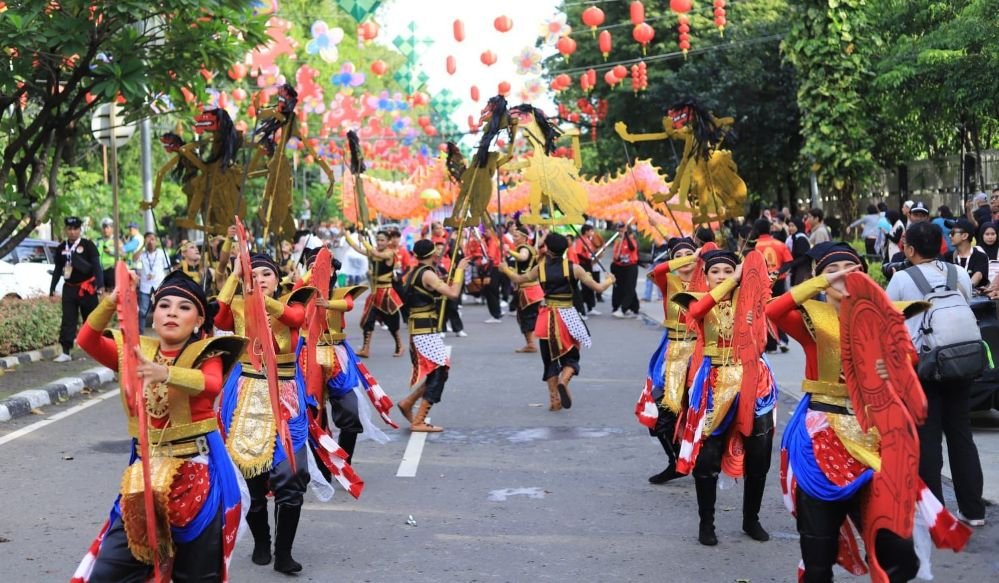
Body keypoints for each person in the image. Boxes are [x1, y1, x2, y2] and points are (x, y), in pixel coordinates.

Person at [768, 242, 971, 582]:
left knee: (898, 553)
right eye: (833, 269)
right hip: (821, 443)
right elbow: (772, 311)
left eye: (852, 268)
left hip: (876, 442)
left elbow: (907, 364)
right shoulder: (814, 320)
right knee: (818, 556)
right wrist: (820, 282)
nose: (844, 274)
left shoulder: (882, 317)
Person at [72, 271, 246, 583]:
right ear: (153, 316)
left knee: (196, 576)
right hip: (144, 477)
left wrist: (166, 374)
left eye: (183, 307)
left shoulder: (208, 352)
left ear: (198, 321)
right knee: (109, 573)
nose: (172, 313)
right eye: (164, 306)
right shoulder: (136, 352)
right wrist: (112, 301)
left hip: (196, 480)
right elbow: (86, 340)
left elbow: (211, 384)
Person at [215, 254, 320, 574]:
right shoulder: (237, 307)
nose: (260, 278)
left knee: (292, 473)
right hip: (247, 392)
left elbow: (294, 318)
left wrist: (262, 301)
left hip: (286, 396)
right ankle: (262, 540)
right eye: (254, 274)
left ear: (278, 280)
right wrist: (234, 276)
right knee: (251, 476)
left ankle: (284, 552)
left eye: (266, 274)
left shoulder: (295, 302)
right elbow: (218, 319)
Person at [672, 250, 778, 546]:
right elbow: (697, 311)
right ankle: (707, 523)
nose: (721, 275)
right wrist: (732, 279)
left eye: (727, 270)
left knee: (760, 453)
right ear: (705, 276)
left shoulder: (751, 302)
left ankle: (751, 519)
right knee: (707, 459)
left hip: (754, 381)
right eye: (715, 271)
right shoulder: (694, 298)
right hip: (713, 384)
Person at [885, 222, 986, 527]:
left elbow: (889, 320)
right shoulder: (957, 273)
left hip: (924, 365)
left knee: (928, 439)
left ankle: (935, 514)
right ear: (942, 246)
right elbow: (965, 304)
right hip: (961, 362)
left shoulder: (901, 278)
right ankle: (973, 510)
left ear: (910, 249)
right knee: (961, 434)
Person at [502, 233, 615, 411]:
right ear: (566, 248)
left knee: (549, 359)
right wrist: (609, 280)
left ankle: (554, 400)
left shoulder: (540, 268)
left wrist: (506, 269)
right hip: (568, 316)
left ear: (547, 248)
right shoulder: (574, 268)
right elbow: (598, 288)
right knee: (571, 355)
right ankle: (565, 379)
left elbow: (519, 279)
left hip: (546, 317)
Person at [635, 237, 699, 484]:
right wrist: (690, 256)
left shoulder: (707, 283)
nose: (685, 259)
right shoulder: (668, 281)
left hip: (699, 354)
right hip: (672, 353)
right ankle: (675, 461)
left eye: (690, 253)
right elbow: (657, 269)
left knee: (695, 410)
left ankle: (695, 460)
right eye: (679, 254)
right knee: (661, 413)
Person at [395, 240, 469, 432]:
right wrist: (460, 270)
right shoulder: (427, 273)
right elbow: (453, 293)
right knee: (440, 371)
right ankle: (419, 420)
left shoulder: (415, 272)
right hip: (423, 330)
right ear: (433, 254)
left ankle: (408, 403)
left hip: (422, 328)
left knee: (437, 372)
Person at [50, 216, 104, 362]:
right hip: (69, 288)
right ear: (66, 230)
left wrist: (100, 285)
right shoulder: (61, 248)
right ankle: (66, 351)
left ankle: (96, 349)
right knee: (68, 319)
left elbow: (97, 266)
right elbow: (57, 269)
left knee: (91, 319)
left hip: (87, 288)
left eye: (76, 229)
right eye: (70, 229)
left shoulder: (88, 245)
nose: (73, 232)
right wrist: (52, 288)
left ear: (80, 230)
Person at [345, 229, 404, 358]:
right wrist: (348, 237)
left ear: (388, 241)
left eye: (382, 240)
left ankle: (399, 345)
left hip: (387, 293)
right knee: (368, 321)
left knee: (392, 323)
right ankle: (365, 348)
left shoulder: (389, 253)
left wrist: (364, 242)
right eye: (378, 240)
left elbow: (376, 253)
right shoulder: (373, 252)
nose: (379, 242)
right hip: (375, 293)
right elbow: (357, 249)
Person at [753, 218, 793, 353]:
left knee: (765, 312)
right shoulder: (780, 244)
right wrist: (777, 272)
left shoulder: (754, 247)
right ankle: (784, 339)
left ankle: (770, 344)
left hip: (761, 283)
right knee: (780, 310)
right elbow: (789, 262)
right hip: (779, 282)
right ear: (770, 229)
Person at [507, 227, 543, 353]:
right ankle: (531, 342)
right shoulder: (531, 248)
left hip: (528, 291)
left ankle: (531, 344)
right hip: (532, 288)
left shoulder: (524, 248)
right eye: (513, 236)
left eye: (516, 236)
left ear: (524, 238)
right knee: (529, 316)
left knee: (525, 317)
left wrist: (509, 252)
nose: (514, 238)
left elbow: (523, 257)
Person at [136, 233, 171, 333]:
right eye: (148, 240)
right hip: (145, 286)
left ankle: (164, 332)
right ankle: (140, 334)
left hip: (159, 285)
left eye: (152, 239)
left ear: (156, 241)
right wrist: (143, 245)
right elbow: (134, 259)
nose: (150, 242)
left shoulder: (162, 253)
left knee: (163, 310)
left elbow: (167, 268)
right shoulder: (142, 254)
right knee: (142, 312)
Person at [943, 218, 989, 288]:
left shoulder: (980, 257)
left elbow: (978, 276)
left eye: (953, 233)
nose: (950, 236)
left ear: (964, 236)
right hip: (952, 297)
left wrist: (964, 289)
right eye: (950, 233)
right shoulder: (947, 256)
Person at [611, 222, 640, 318]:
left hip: (631, 267)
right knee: (622, 287)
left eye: (622, 231)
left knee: (630, 287)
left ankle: (623, 308)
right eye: (619, 231)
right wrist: (617, 257)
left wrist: (626, 235)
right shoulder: (618, 242)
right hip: (620, 267)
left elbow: (632, 248)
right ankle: (634, 308)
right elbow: (615, 256)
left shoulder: (631, 240)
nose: (620, 232)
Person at [574, 224, 600, 315]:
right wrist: (586, 259)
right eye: (591, 231)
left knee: (590, 286)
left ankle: (590, 307)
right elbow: (578, 253)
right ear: (586, 231)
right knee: (585, 286)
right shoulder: (580, 241)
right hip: (583, 265)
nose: (592, 232)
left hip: (589, 264)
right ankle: (580, 309)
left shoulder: (588, 241)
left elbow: (590, 252)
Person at [786, 218, 812, 287]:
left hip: (802, 271)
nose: (790, 228)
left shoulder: (801, 239)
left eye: (793, 226)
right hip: (797, 269)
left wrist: (792, 264)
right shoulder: (795, 237)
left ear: (798, 226)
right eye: (789, 226)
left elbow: (803, 257)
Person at [95, 218, 119, 292]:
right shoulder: (98, 241)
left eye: (108, 227)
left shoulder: (116, 240)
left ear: (112, 229)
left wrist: (111, 252)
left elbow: (123, 253)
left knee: (111, 292)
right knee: (100, 292)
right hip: (99, 270)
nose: (105, 230)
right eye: (104, 227)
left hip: (111, 270)